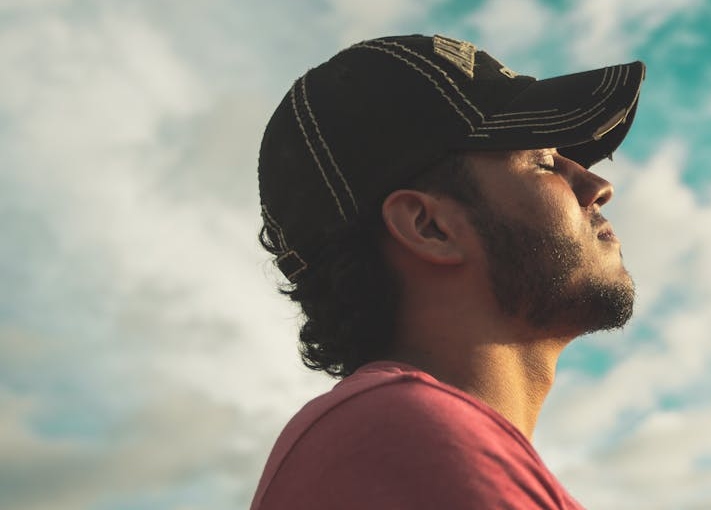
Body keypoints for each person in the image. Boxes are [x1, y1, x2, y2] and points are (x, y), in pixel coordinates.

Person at [249, 34, 644, 509]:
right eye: (542, 162)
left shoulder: (398, 442)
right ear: (430, 227)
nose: (598, 185)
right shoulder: (399, 435)